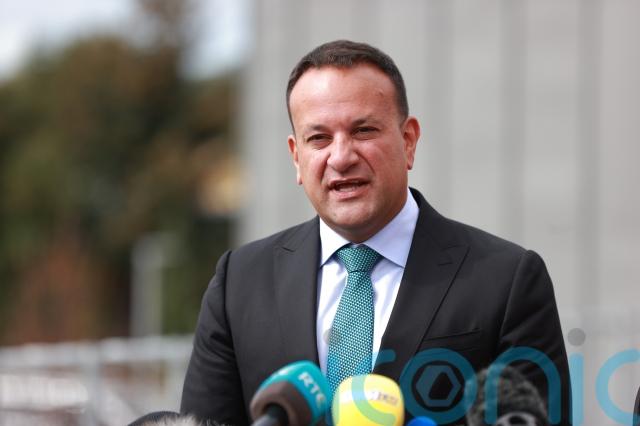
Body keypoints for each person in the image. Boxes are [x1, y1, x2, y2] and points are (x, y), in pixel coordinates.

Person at [180, 40, 571, 425]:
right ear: (297, 157)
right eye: (319, 138)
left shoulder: (505, 279)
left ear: (408, 141)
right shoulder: (240, 282)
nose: (341, 157)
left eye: (363, 131)